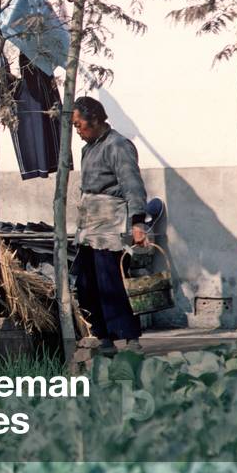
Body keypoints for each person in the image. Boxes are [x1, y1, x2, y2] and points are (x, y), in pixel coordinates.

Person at [70, 96, 146, 356]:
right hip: (90, 222)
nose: (77, 131)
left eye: (79, 124)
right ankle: (104, 336)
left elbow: (132, 184)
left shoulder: (118, 145)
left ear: (95, 119)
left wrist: (138, 223)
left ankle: (130, 337)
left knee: (110, 281)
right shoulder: (87, 149)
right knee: (86, 283)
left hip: (111, 223)